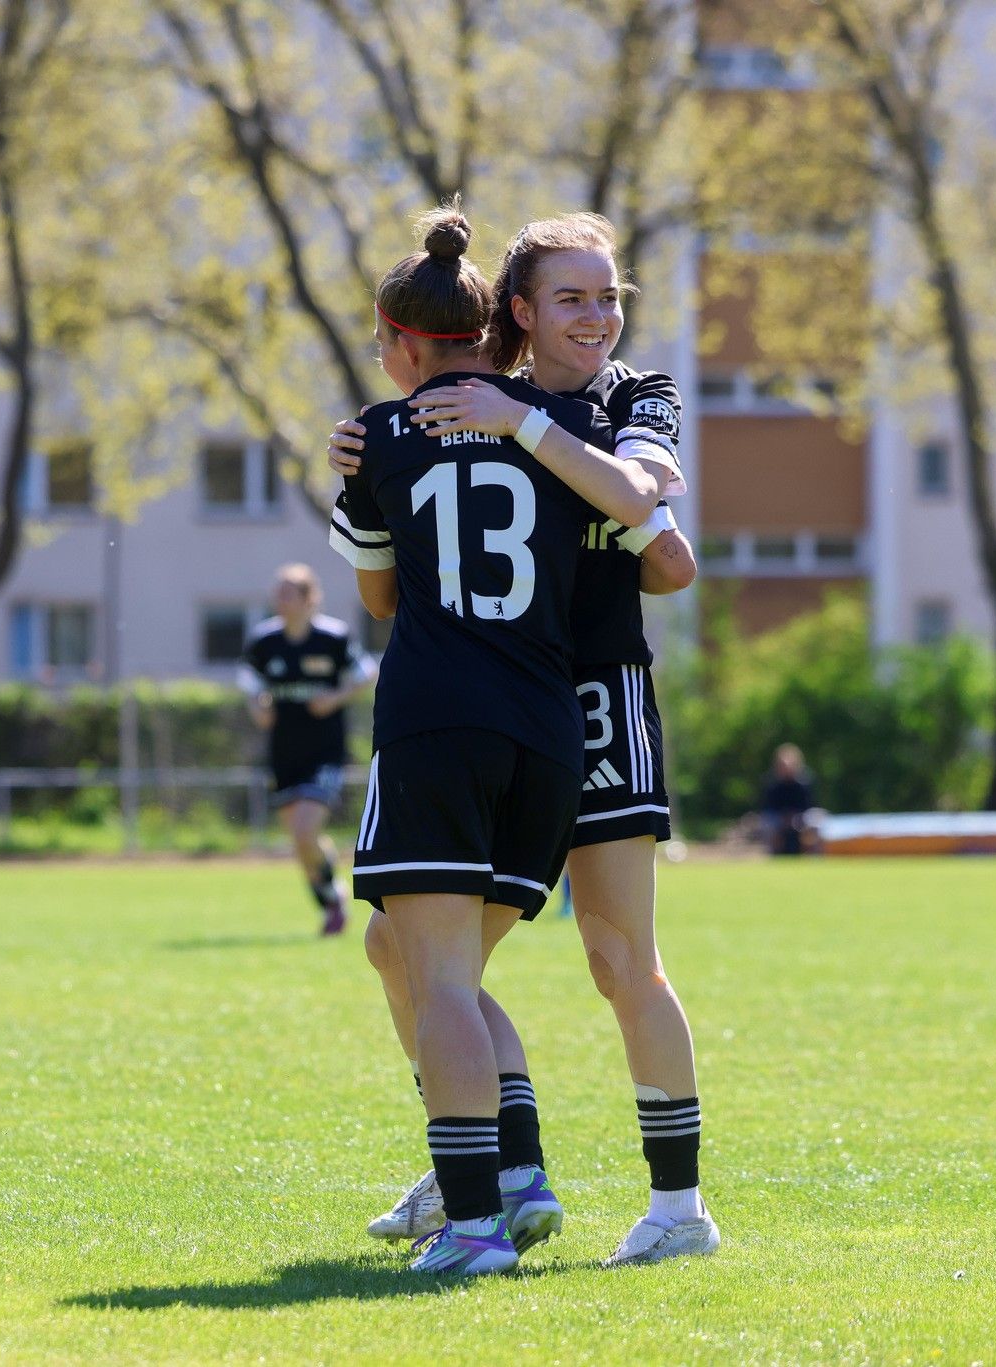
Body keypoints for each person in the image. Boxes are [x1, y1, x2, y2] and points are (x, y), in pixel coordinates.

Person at [332, 212, 718, 1267]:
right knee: (402, 949)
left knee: (616, 957)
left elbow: (665, 545)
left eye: (607, 297)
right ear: (517, 310)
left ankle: (672, 1204)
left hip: (594, 699)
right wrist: (375, 447)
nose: (596, 316)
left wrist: (524, 432)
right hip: (521, 702)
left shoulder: (629, 398)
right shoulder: (470, 402)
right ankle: (490, 1158)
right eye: (570, 297)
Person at [239, 563, 375, 936]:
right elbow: (249, 683)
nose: (279, 600)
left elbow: (367, 672)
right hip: (284, 753)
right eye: (277, 592)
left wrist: (334, 698)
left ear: (308, 599)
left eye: (288, 593)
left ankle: (332, 904)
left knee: (304, 831)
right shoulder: (264, 641)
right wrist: (258, 707)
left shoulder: (333, 637)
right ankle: (332, 900)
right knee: (303, 844)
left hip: (325, 753)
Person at [759, 744, 816, 855]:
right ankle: (774, 854)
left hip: (800, 817)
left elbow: (809, 806)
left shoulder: (805, 782)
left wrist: (794, 817)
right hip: (778, 817)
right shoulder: (771, 783)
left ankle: (811, 855)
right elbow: (767, 808)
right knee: (768, 823)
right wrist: (784, 817)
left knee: (815, 821)